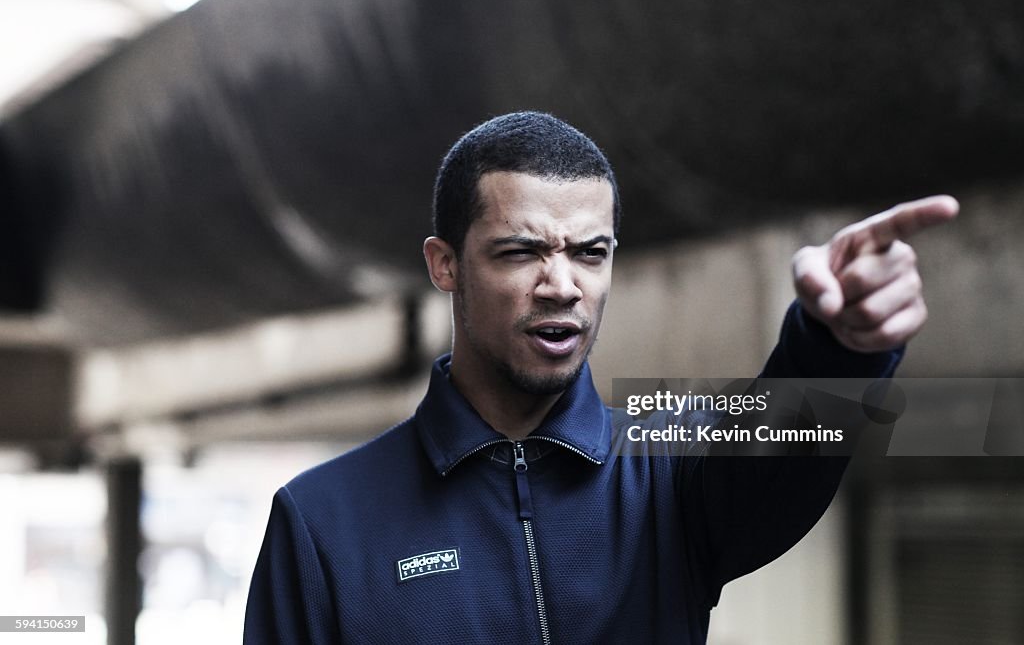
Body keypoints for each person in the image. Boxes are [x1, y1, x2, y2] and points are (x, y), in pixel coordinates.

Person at [243, 112, 958, 644]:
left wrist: (838, 342)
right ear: (445, 264)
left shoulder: (673, 475)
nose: (563, 285)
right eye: (521, 252)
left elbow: (783, 437)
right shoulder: (321, 523)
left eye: (591, 251)